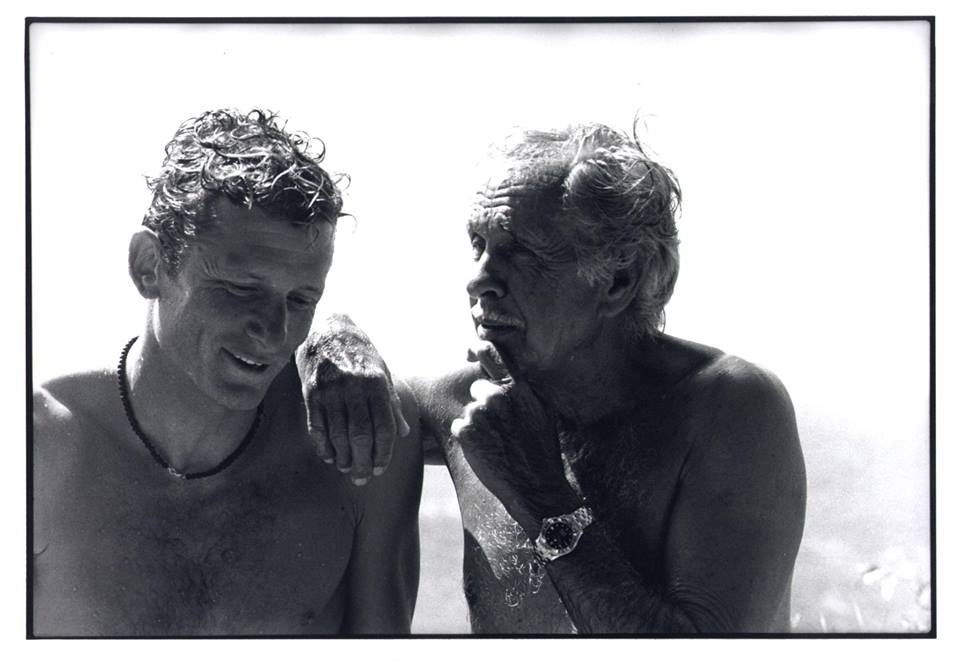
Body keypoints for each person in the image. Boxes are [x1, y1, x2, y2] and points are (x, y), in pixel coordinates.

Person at [300, 123, 807, 633]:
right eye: (478, 243)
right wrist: (330, 335)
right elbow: (348, 391)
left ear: (620, 279)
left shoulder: (728, 409)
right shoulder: (459, 401)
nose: (478, 279)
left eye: (521, 252)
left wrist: (539, 493)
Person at [32, 109, 423, 636]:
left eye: (302, 300)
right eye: (240, 289)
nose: (274, 331)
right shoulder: (40, 446)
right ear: (149, 266)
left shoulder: (358, 449)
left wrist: (337, 329)